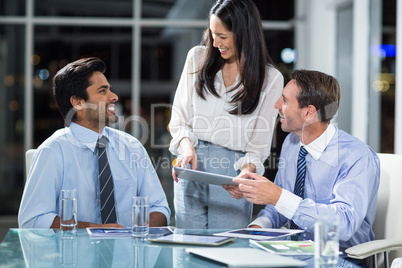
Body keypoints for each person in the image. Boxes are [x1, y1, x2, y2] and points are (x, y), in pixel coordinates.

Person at [225, 69, 380, 249]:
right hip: (296, 251)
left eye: (284, 100)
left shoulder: (357, 157)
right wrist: (256, 229)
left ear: (308, 113)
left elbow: (344, 224)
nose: (276, 105)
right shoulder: (291, 144)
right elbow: (280, 206)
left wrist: (277, 196)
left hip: (337, 258)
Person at [169, 0, 283, 229]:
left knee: (229, 249)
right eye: (212, 34)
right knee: (186, 251)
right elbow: (179, 116)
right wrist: (187, 148)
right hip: (192, 164)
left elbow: (259, 146)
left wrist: (245, 174)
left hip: (233, 172)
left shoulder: (270, 79)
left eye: (222, 36)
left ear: (244, 34)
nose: (215, 42)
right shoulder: (197, 58)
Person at [18, 57, 171, 228]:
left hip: (127, 252)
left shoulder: (132, 146)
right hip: (75, 253)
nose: (114, 97)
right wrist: (95, 229)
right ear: (78, 102)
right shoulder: (53, 151)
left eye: (109, 90)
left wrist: (129, 234)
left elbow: (160, 209)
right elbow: (32, 220)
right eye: (102, 91)